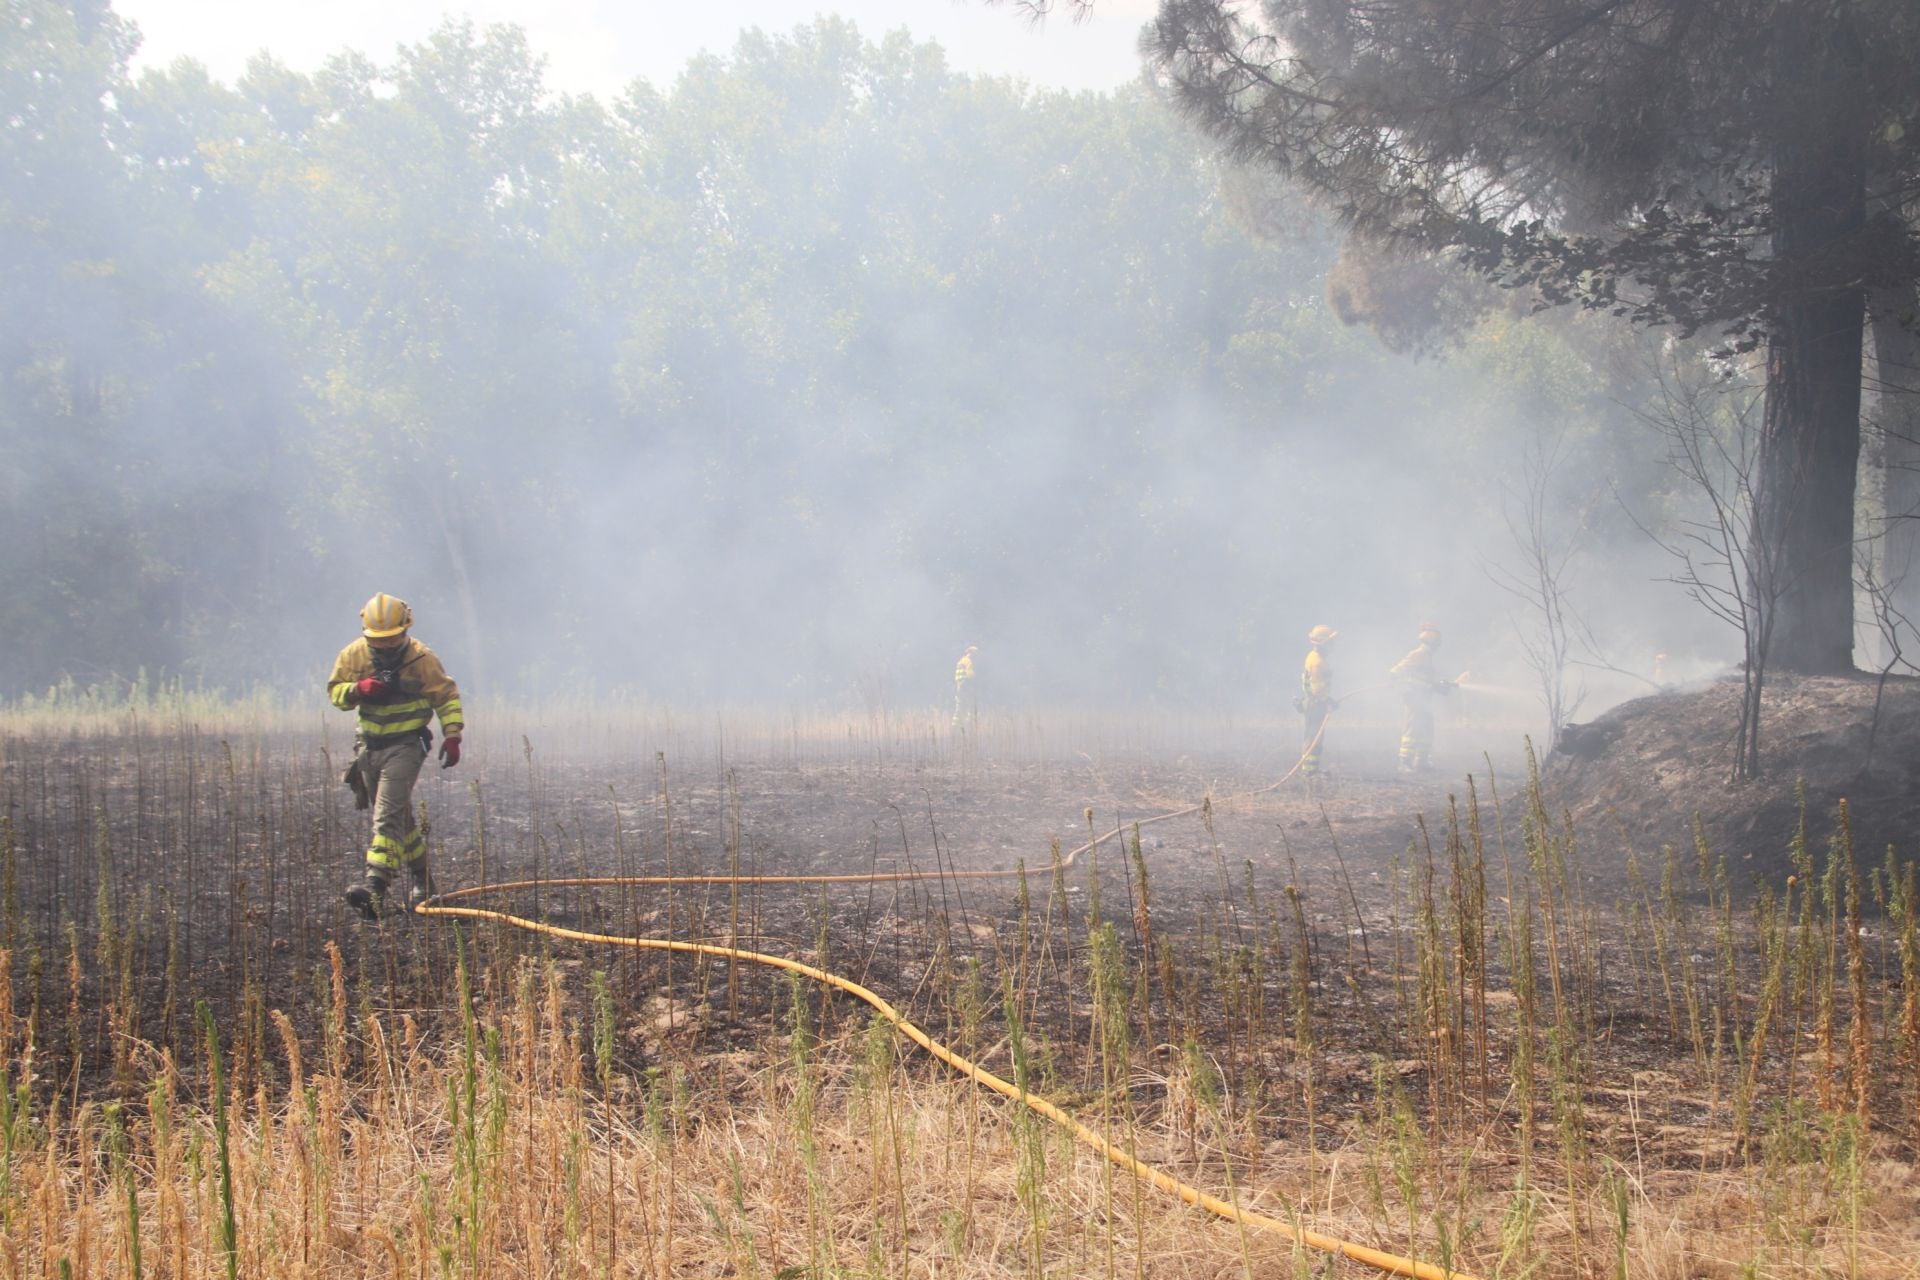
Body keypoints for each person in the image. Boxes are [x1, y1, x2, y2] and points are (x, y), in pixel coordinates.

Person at [328, 593, 465, 918]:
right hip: (369, 748)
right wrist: (359, 689)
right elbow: (335, 693)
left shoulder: (422, 659)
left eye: (393, 639)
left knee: (386, 817)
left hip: (406, 746)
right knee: (401, 820)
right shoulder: (353, 656)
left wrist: (453, 734)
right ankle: (424, 881)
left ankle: (375, 889)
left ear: (405, 630)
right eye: (380, 641)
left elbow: (446, 696)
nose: (387, 647)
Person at [1388, 622, 1453, 772]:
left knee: (1426, 729)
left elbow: (1425, 679)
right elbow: (1397, 669)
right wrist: (1393, 679)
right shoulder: (1418, 654)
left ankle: (1421, 761)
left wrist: (1437, 686)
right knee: (1412, 729)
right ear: (1432, 640)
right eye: (1437, 641)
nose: (1439, 644)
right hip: (1414, 698)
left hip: (1424, 698)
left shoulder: (1428, 656)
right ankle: (1404, 762)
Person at [1299, 625, 1339, 778]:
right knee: (1312, 737)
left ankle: (1313, 769)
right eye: (1330, 643)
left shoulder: (1316, 658)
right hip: (1315, 704)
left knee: (1316, 736)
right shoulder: (1317, 662)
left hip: (1317, 703)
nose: (1332, 646)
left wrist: (1328, 700)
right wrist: (1328, 700)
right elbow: (1317, 688)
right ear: (1323, 643)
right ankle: (1309, 771)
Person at [952, 644, 978, 728]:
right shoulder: (968, 662)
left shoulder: (961, 661)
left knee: (960, 706)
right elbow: (970, 674)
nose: (976, 657)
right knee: (971, 706)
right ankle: (969, 726)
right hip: (966, 686)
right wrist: (975, 677)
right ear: (971, 653)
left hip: (959, 686)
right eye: (975, 654)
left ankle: (955, 725)